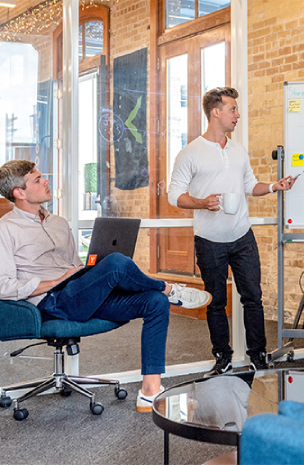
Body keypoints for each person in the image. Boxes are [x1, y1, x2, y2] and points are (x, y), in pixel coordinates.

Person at [0, 160, 212, 412]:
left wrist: (88, 271)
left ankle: (150, 390)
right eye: (37, 180)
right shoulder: (6, 229)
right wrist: (57, 281)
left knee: (154, 302)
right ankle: (167, 288)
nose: (46, 181)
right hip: (52, 302)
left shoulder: (58, 223)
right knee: (117, 263)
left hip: (79, 293)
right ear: (19, 193)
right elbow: (4, 286)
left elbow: (74, 265)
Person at [168, 86, 296, 376]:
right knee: (216, 300)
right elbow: (174, 195)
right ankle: (222, 357)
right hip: (209, 240)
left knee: (252, 297)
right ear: (216, 112)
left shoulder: (238, 150)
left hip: (242, 236)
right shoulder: (191, 152)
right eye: (232, 109)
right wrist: (202, 202)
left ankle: (257, 355)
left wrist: (274, 186)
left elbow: (250, 185)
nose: (237, 115)